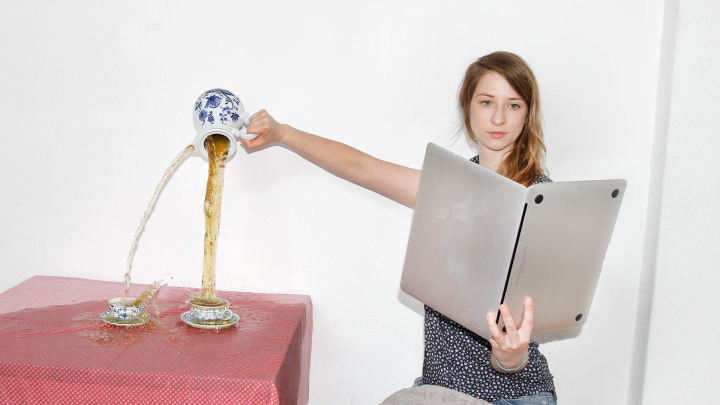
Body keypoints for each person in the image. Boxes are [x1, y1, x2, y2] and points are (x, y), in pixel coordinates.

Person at [241, 51, 557, 404]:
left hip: (514, 394)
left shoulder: (540, 199)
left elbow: (531, 319)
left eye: (513, 105)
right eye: (487, 102)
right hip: (439, 391)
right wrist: (283, 133)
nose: (498, 117)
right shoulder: (449, 186)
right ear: (468, 107)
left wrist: (511, 357)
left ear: (527, 113)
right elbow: (361, 167)